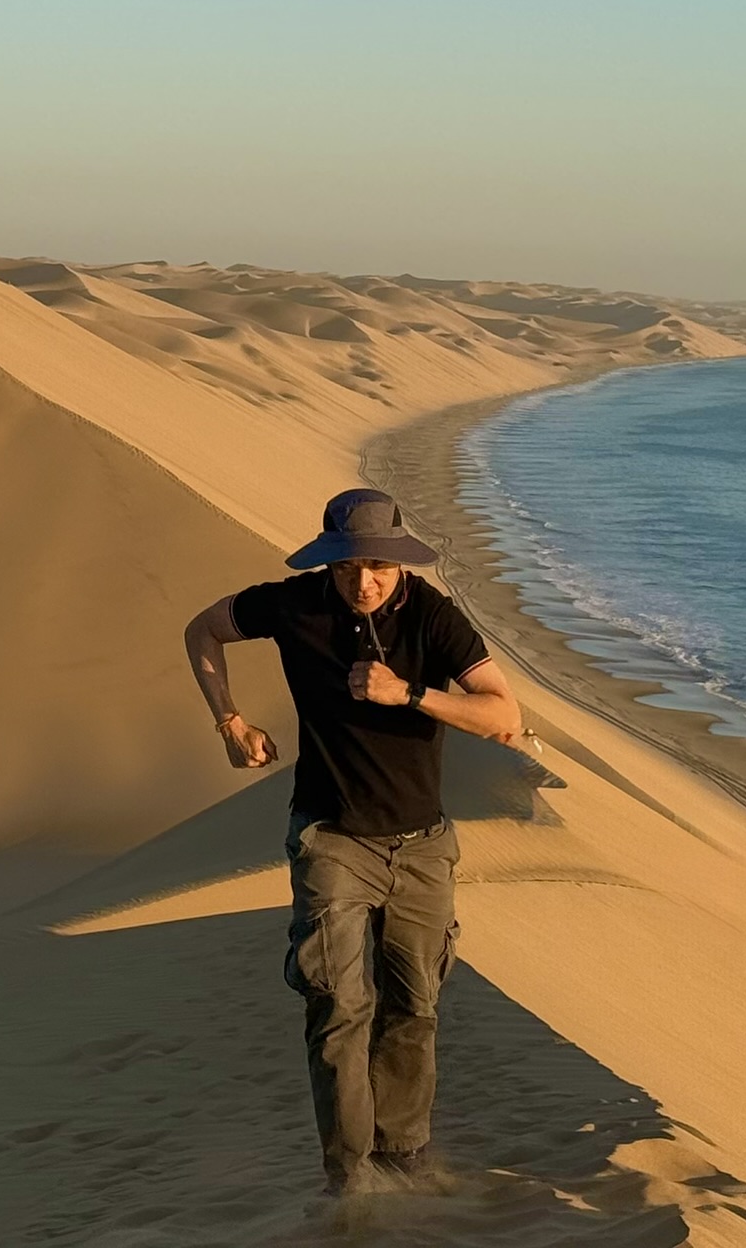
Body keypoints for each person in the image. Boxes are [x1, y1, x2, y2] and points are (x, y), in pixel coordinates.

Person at [182, 487, 525, 1194]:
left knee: (415, 1009)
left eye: (375, 566)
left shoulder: (432, 615)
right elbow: (202, 630)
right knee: (337, 1009)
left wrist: (411, 695)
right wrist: (231, 723)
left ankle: (404, 1158)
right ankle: (349, 1181)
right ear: (328, 562)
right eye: (345, 567)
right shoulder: (293, 605)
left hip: (423, 847)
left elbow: (504, 716)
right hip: (331, 840)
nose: (361, 582)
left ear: (398, 561)